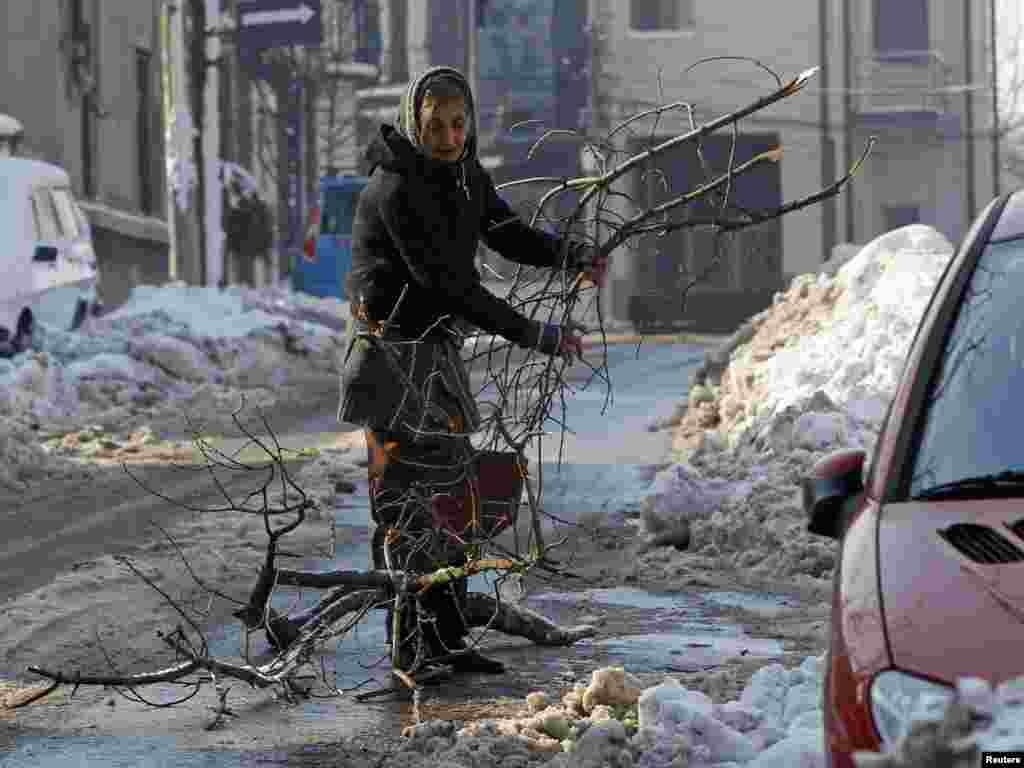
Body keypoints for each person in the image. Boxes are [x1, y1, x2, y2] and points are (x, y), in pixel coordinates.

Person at [338, 66, 608, 675]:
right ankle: (411, 648)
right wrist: (537, 334)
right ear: (415, 123)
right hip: (389, 366)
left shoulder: (463, 177)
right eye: (434, 126)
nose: (448, 137)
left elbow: (507, 234)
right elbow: (452, 286)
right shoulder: (398, 188)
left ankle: (451, 639)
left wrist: (573, 256)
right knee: (406, 508)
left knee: (454, 501)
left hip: (434, 360)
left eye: (458, 124)